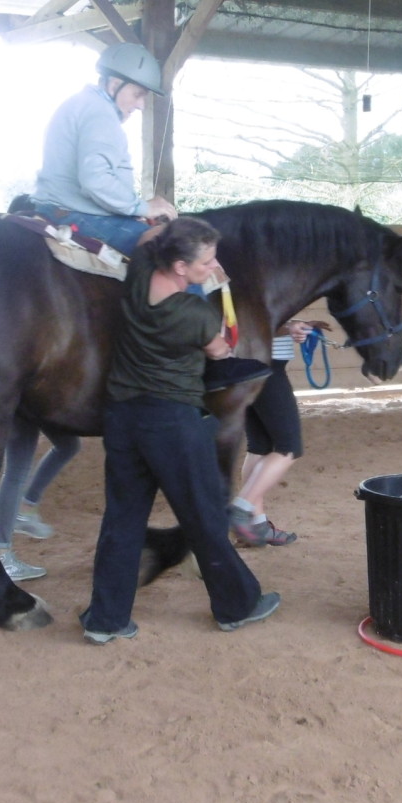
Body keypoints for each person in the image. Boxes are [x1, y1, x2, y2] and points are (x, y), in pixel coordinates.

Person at [80, 215, 280, 644]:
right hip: (170, 421)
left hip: (123, 417)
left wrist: (164, 221)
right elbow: (220, 351)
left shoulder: (138, 276)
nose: (213, 267)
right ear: (179, 267)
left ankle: (106, 620)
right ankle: (237, 605)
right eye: (206, 262)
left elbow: (152, 237)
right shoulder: (194, 313)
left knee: (122, 518)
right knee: (204, 514)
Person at [32, 41, 177, 258]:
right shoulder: (101, 115)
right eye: (138, 94)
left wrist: (131, 211)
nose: (141, 105)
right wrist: (143, 208)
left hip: (58, 207)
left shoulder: (81, 103)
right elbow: (95, 179)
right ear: (114, 85)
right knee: (176, 251)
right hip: (78, 214)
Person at [229, 318, 316, 547]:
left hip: (245, 368)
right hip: (266, 367)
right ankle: (241, 508)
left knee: (260, 447)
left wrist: (294, 324)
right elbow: (250, 320)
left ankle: (257, 525)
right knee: (289, 448)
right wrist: (288, 327)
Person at [0, 425, 80, 582]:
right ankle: (1, 555)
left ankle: (26, 509)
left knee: (68, 445)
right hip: (24, 411)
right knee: (16, 471)